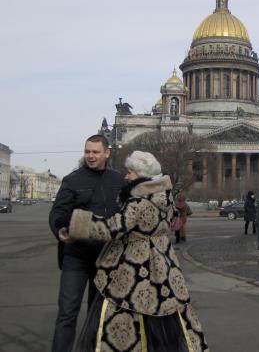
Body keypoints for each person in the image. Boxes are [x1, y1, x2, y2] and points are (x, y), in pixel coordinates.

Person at [68, 151, 209, 352]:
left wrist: (77, 223)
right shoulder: (166, 198)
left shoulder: (138, 201)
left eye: (130, 172)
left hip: (132, 265)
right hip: (164, 264)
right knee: (166, 312)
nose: (126, 176)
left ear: (142, 175)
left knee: (126, 310)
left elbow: (113, 228)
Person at [48, 134, 124, 352]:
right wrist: (60, 228)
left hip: (107, 257)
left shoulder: (118, 180)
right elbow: (58, 213)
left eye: (95, 152)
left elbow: (126, 215)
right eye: (87, 151)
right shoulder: (72, 180)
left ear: (107, 153)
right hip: (77, 256)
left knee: (97, 314)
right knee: (67, 312)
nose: (90, 156)